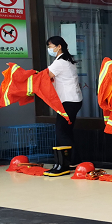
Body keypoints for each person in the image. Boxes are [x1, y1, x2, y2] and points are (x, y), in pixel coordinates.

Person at [43, 36, 83, 177]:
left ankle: (66, 162)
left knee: (61, 131)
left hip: (68, 101)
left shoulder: (60, 63)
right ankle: (73, 160)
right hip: (73, 100)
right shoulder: (68, 60)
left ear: (59, 46)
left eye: (50, 46)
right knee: (66, 131)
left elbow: (44, 76)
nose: (49, 49)